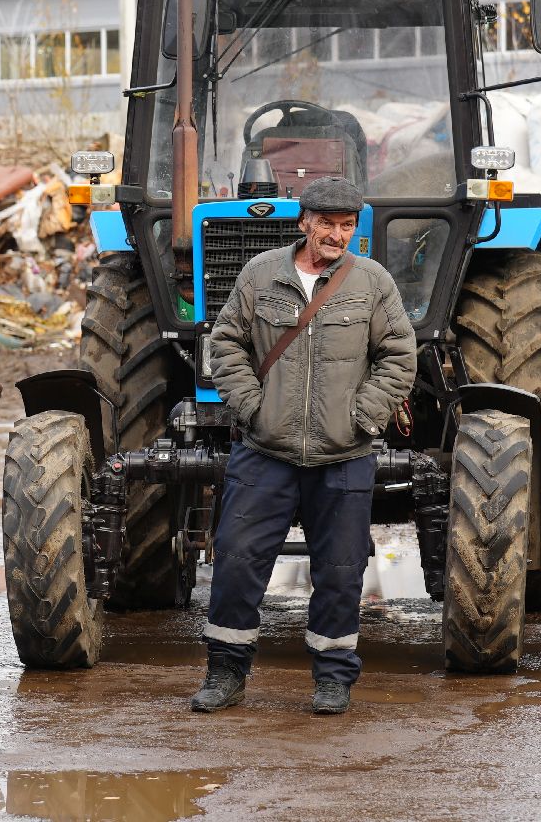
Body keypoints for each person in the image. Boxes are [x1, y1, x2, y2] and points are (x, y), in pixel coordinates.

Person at [198, 176, 415, 715]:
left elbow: (398, 356)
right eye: (326, 224)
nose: (336, 235)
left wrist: (362, 418)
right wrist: (252, 408)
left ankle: (333, 679)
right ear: (304, 223)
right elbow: (226, 343)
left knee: (340, 572)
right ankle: (225, 674)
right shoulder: (261, 274)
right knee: (237, 563)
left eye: (346, 226)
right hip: (264, 452)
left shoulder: (371, 282)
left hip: (343, 456)